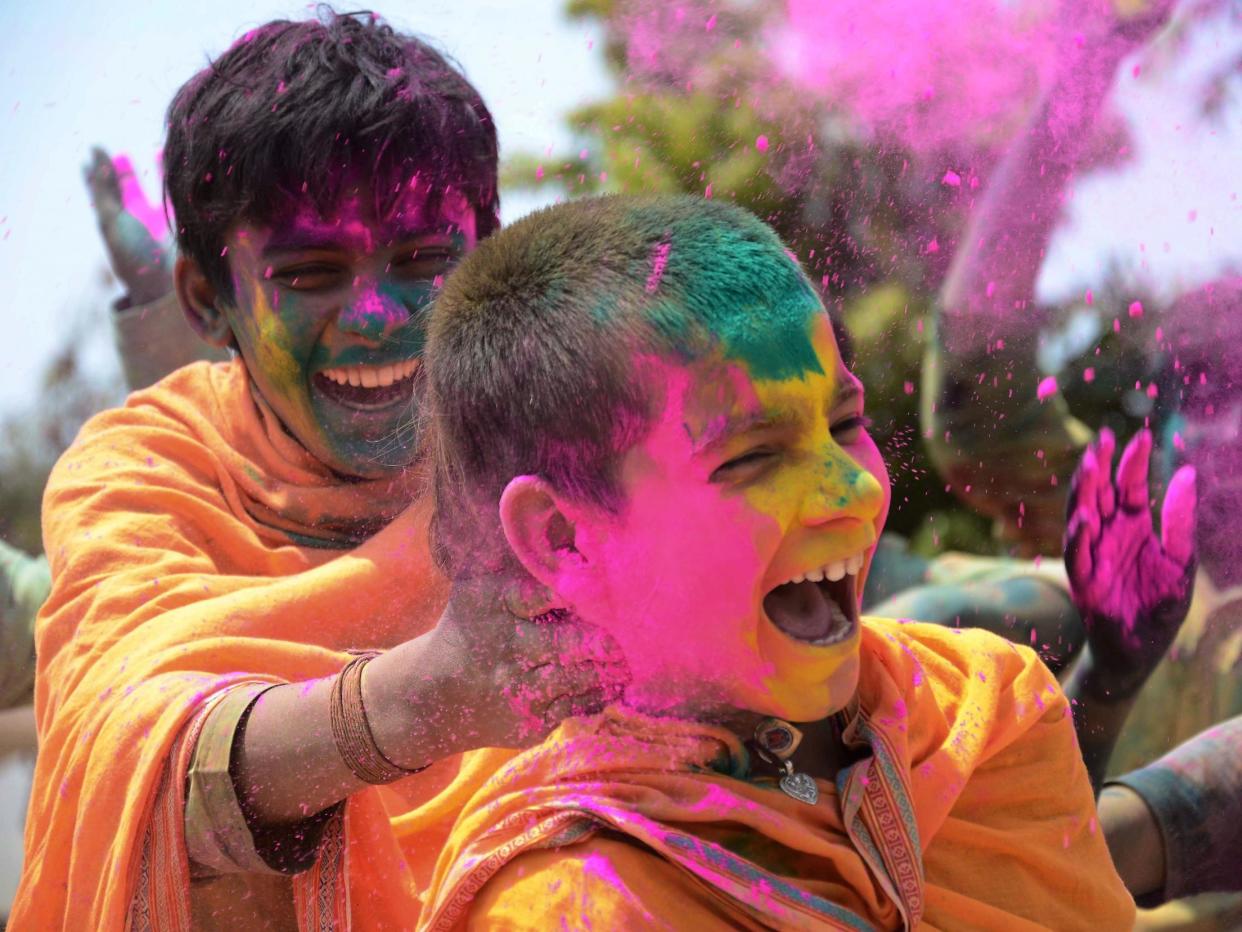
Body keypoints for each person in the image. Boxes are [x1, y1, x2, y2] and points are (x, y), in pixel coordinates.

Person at [12, 13, 626, 930]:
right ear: (204, 301)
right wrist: (429, 697)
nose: (379, 314)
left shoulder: (566, 442)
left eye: (423, 260)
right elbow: (131, 759)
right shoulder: (141, 472)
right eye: (310, 274)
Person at [412, 194, 1135, 929]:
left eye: (846, 424)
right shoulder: (577, 904)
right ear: (564, 538)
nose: (853, 488)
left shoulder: (989, 715)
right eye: (753, 456)